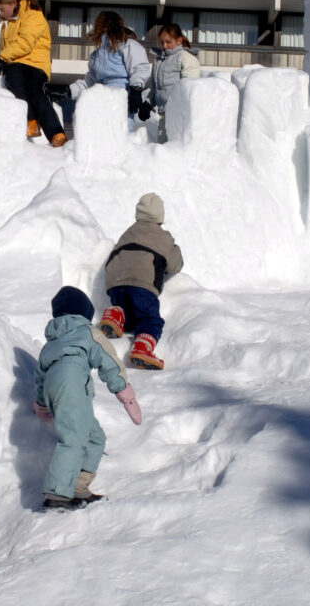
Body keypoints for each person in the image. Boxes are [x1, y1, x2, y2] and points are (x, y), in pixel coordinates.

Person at [34, 287, 141, 512]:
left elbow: (40, 377)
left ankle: (77, 487)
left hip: (55, 388)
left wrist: (42, 404)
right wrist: (125, 393)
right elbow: (109, 361)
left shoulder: (51, 343)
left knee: (94, 437)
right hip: (72, 383)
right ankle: (57, 494)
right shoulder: (87, 331)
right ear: (85, 313)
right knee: (73, 438)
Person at [100, 193, 183, 370]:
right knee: (149, 319)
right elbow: (175, 263)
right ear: (160, 218)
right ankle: (142, 348)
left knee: (129, 319)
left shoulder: (128, 232)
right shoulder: (163, 237)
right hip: (143, 283)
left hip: (116, 280)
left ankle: (115, 314)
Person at [0, 0, 66, 147]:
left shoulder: (33, 14)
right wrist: (1, 64)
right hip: (17, 63)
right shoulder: (8, 22)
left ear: (13, 3)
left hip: (35, 64)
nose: (2, 13)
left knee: (35, 90)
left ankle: (56, 133)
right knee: (15, 81)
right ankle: (31, 122)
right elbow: (4, 47)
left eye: (3, 9)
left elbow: (25, 43)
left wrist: (3, 57)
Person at [69, 11, 152, 122]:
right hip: (102, 100)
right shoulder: (97, 55)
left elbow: (139, 67)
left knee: (120, 133)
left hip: (122, 97)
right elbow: (90, 83)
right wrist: (69, 91)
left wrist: (136, 89)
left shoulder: (126, 44)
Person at [146, 23, 201, 142]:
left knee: (174, 151)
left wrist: (182, 112)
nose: (164, 46)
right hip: (163, 115)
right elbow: (155, 89)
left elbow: (189, 89)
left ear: (179, 40)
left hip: (178, 116)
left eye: (168, 42)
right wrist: (148, 104)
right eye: (162, 42)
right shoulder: (158, 61)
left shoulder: (186, 58)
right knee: (162, 150)